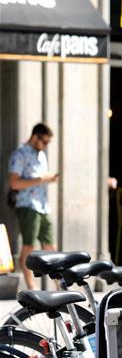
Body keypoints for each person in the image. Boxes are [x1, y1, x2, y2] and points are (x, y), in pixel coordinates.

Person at [7, 123, 58, 289]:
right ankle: (31, 286)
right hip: (27, 205)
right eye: (44, 142)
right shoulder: (19, 154)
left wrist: (48, 179)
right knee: (29, 246)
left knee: (51, 246)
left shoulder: (41, 155)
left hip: (43, 206)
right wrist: (41, 179)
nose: (46, 146)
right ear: (35, 136)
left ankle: (60, 285)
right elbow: (14, 183)